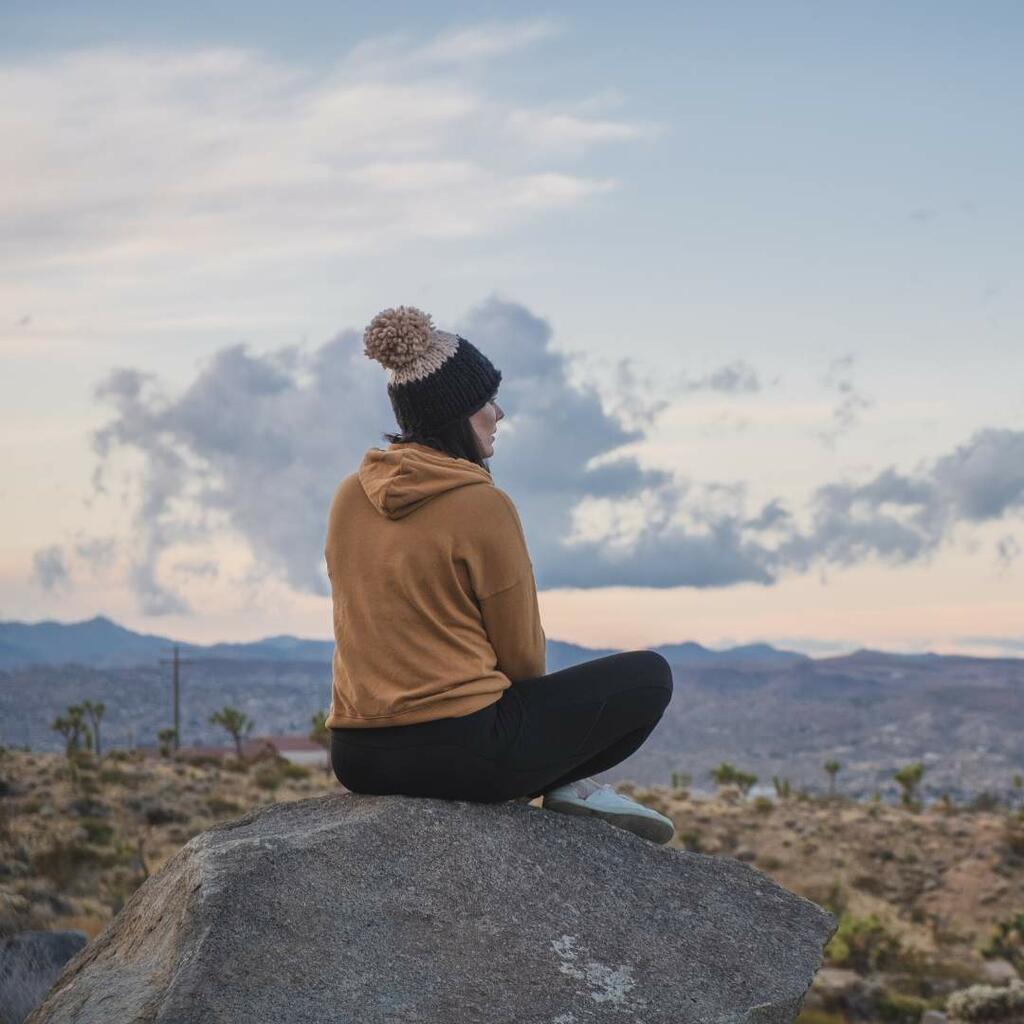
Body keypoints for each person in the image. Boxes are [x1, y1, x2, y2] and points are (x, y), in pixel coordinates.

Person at [324, 305, 675, 845]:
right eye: (487, 401)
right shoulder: (482, 505)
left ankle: (566, 781)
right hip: (460, 753)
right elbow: (523, 660)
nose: (500, 413)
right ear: (457, 414)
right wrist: (545, 745)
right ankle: (565, 783)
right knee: (650, 677)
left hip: (356, 755)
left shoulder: (350, 495)